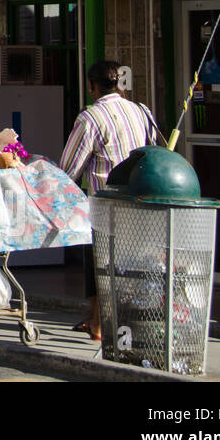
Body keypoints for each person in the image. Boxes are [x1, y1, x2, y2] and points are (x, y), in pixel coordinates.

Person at [59, 59, 163, 342]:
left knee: (99, 262)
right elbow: (153, 150)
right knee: (129, 263)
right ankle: (103, 320)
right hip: (138, 199)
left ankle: (100, 323)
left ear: (92, 86)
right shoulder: (141, 111)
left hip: (105, 203)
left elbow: (70, 167)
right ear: (119, 83)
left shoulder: (91, 117)